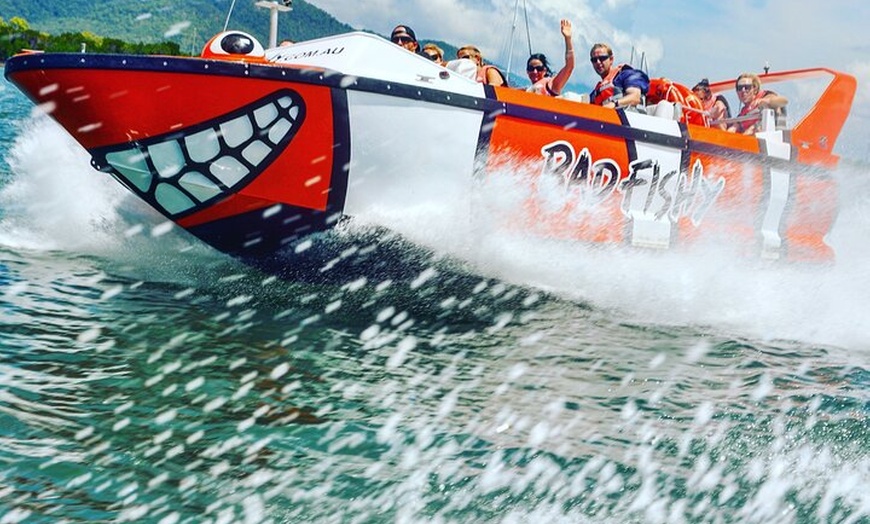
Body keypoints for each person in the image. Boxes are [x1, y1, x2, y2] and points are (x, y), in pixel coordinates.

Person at [588, 43, 649, 109]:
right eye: (594, 60)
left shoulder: (625, 75)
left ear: (611, 59)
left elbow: (635, 97)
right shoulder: (595, 93)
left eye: (602, 58)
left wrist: (614, 104)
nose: (598, 62)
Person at [526, 19, 574, 97]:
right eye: (531, 68)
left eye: (539, 68)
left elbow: (569, 67)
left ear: (545, 70)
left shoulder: (552, 85)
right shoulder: (526, 91)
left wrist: (567, 39)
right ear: (527, 71)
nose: (535, 72)